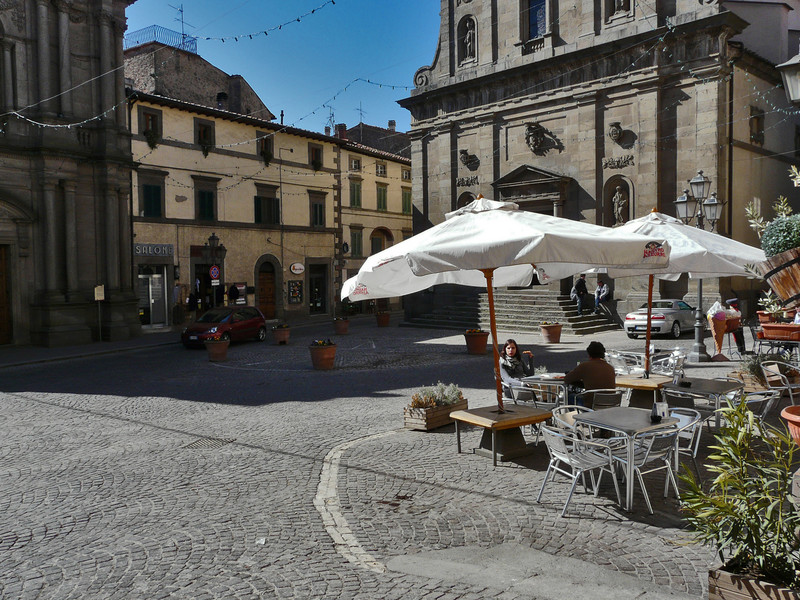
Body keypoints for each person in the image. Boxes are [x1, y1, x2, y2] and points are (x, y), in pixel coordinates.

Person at [563, 341, 616, 409]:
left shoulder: (585, 366)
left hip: (591, 405)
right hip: (609, 404)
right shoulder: (610, 367)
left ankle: (576, 418)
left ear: (589, 353)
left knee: (569, 396)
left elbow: (567, 379)